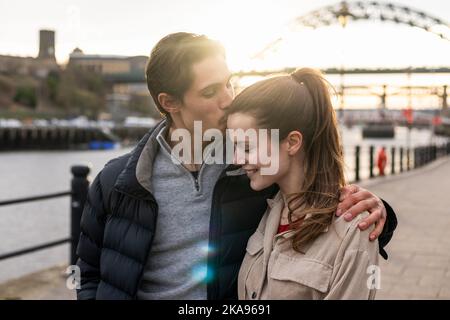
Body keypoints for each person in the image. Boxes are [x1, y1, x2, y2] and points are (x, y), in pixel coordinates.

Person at [75, 33, 397, 300]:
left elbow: (316, 200)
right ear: (169, 102)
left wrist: (379, 211)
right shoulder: (116, 182)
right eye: (210, 91)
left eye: (229, 83)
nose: (229, 99)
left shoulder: (255, 165)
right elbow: (86, 275)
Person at [225, 68, 380, 299]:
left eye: (247, 148)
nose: (236, 160)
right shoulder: (267, 212)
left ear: (292, 142)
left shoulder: (352, 230)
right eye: (234, 147)